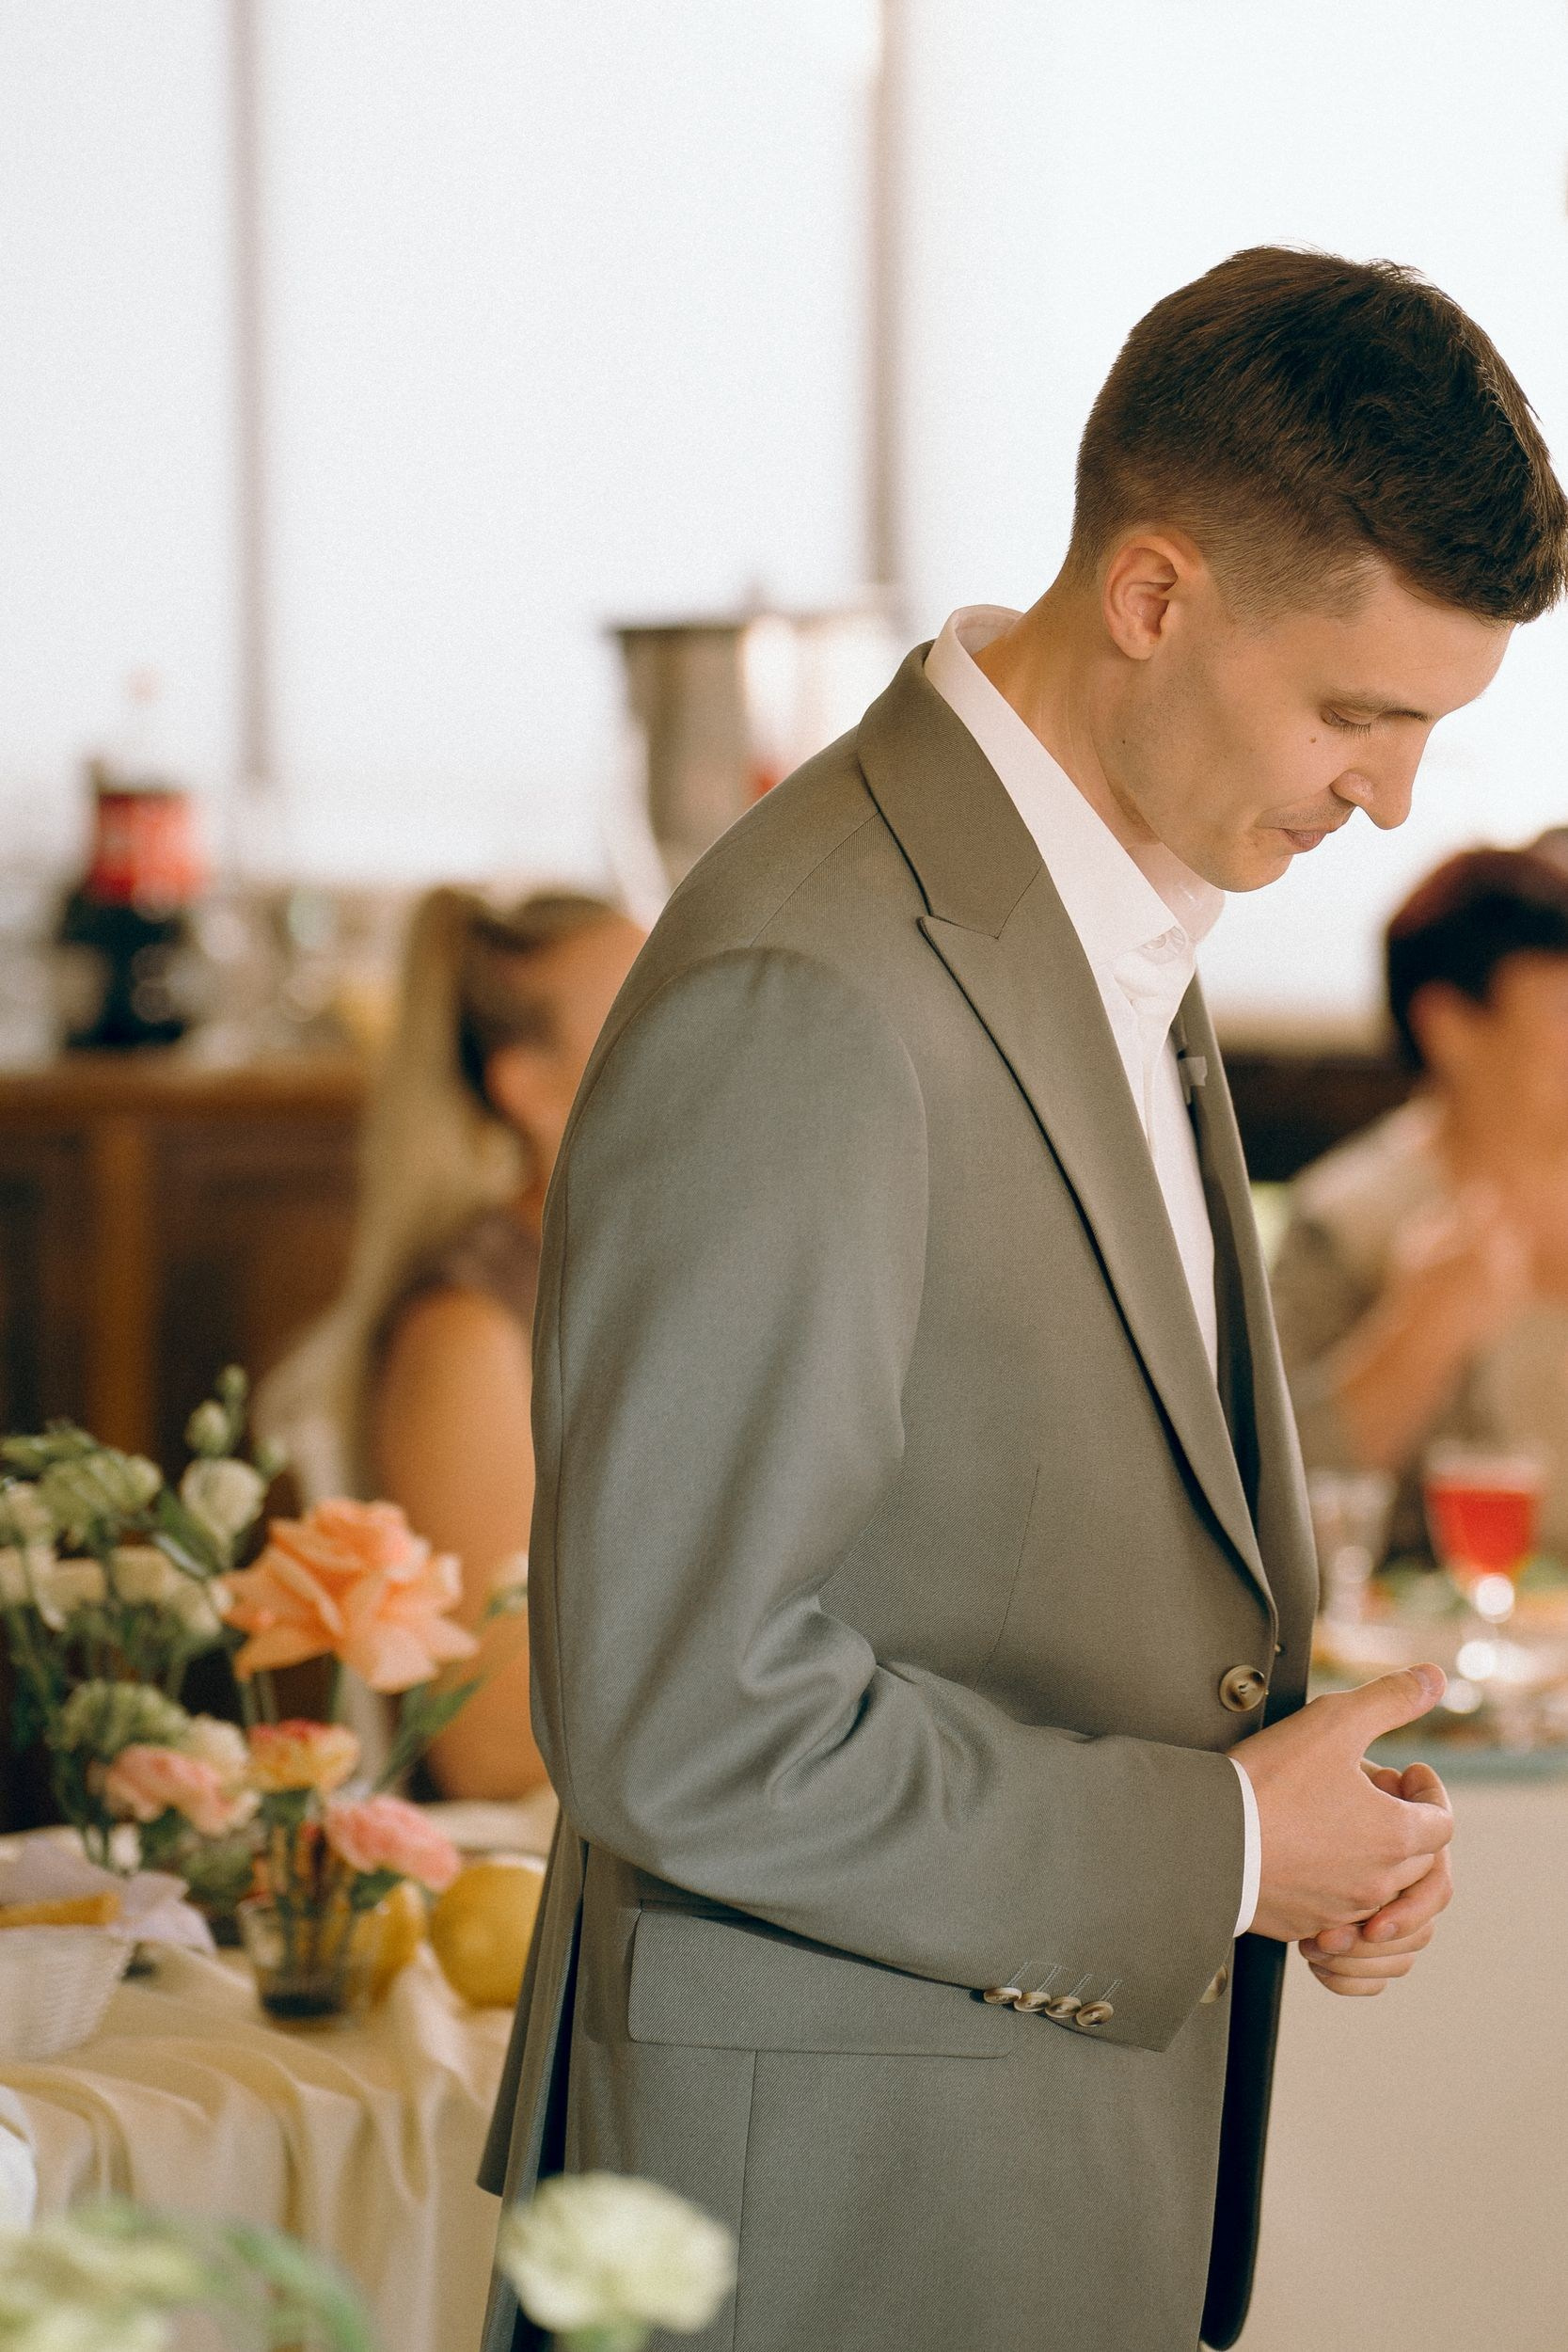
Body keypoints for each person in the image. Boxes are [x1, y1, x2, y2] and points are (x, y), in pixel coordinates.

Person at [480, 247, 1568, 2352]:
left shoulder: (1109, 917)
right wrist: (1213, 1850)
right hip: (816, 2229)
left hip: (1016, 2183)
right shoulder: (812, 978)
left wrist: (1301, 1823)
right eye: (1355, 713)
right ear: (1150, 594)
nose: (1389, 796)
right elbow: (674, 1711)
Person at [258, 886, 645, 1801]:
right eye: (650, 1013)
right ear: (530, 1089)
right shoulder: (464, 1337)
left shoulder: (679, 1275)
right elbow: (493, 1751)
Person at [1272, 847, 1568, 1559]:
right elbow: (1269, 1511)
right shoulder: (1344, 1222)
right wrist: (1418, 1335)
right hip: (1430, 1621)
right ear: (1449, 1025)